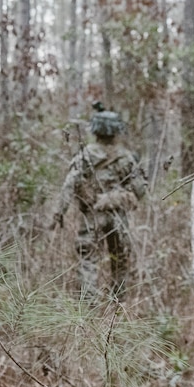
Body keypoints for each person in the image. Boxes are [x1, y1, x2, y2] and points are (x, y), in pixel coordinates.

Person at [52, 104, 147, 301]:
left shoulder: (85, 155)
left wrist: (59, 213)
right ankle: (118, 305)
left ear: (95, 130)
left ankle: (88, 307)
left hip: (92, 215)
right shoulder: (127, 157)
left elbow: (69, 184)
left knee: (88, 260)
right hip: (118, 216)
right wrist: (120, 196)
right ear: (116, 131)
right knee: (120, 259)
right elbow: (140, 190)